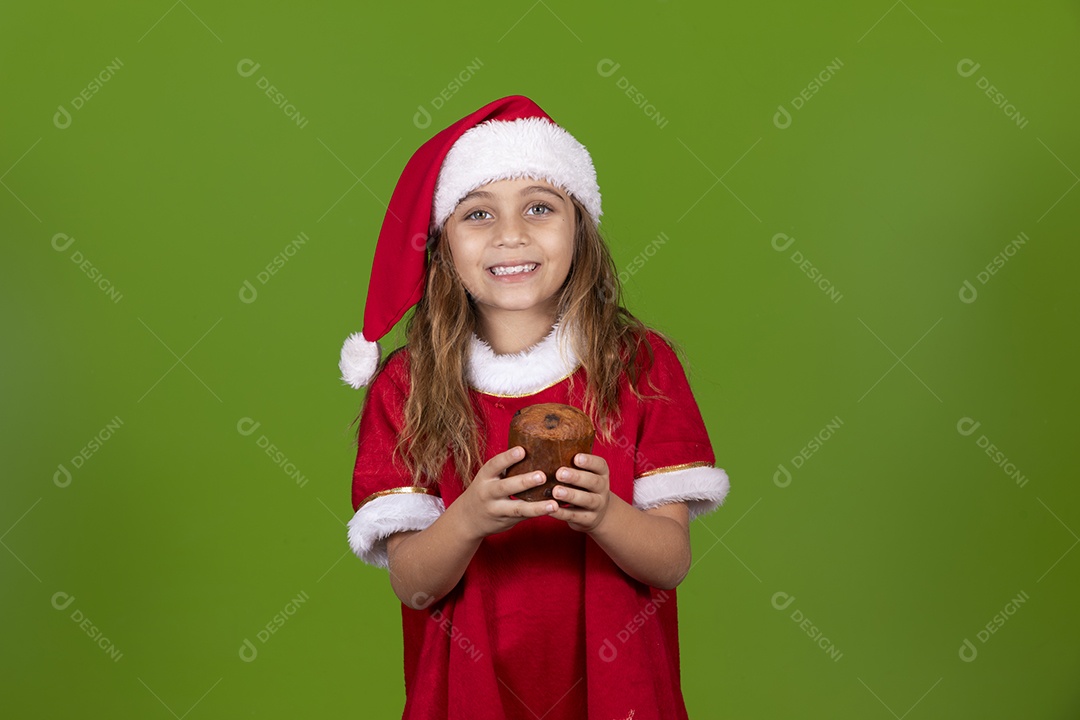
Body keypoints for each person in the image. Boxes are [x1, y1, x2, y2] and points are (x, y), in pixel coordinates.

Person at [339, 95, 730, 720]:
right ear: (441, 242)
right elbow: (413, 586)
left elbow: (671, 561)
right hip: (467, 700)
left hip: (620, 695)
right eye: (478, 214)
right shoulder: (407, 386)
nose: (511, 235)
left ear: (579, 225)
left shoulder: (639, 366)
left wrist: (604, 513)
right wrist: (468, 517)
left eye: (539, 208)